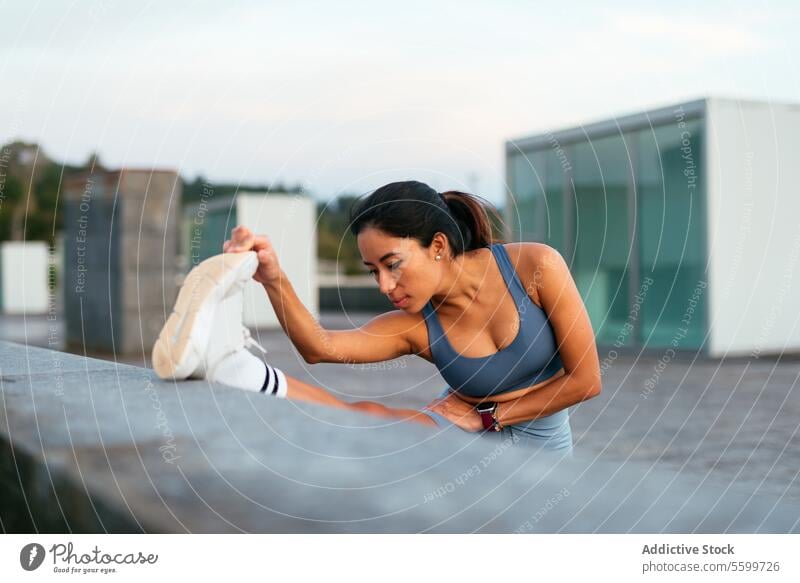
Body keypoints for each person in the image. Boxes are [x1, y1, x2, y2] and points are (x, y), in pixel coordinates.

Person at [152, 180, 601, 451]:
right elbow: (320, 348)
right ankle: (238, 368)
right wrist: (272, 276)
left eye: (393, 264)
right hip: (463, 432)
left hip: (537, 449)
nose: (384, 286)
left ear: (438, 246)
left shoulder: (535, 266)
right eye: (373, 271)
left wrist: (491, 416)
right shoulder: (417, 325)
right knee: (366, 414)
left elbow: (586, 381)